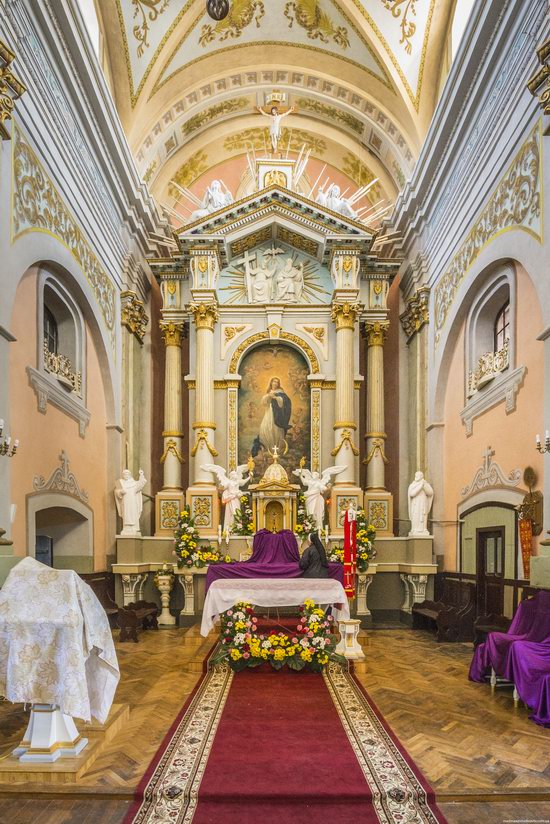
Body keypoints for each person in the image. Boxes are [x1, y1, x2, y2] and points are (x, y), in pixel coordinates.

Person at [257, 377, 292, 455]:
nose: (275, 383)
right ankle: (268, 448)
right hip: (269, 413)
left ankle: (277, 449)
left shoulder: (281, 393)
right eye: (274, 382)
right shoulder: (269, 392)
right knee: (265, 428)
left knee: (276, 429)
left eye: (277, 382)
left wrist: (276, 398)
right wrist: (268, 396)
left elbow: (285, 402)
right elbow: (263, 403)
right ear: (271, 383)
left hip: (277, 414)